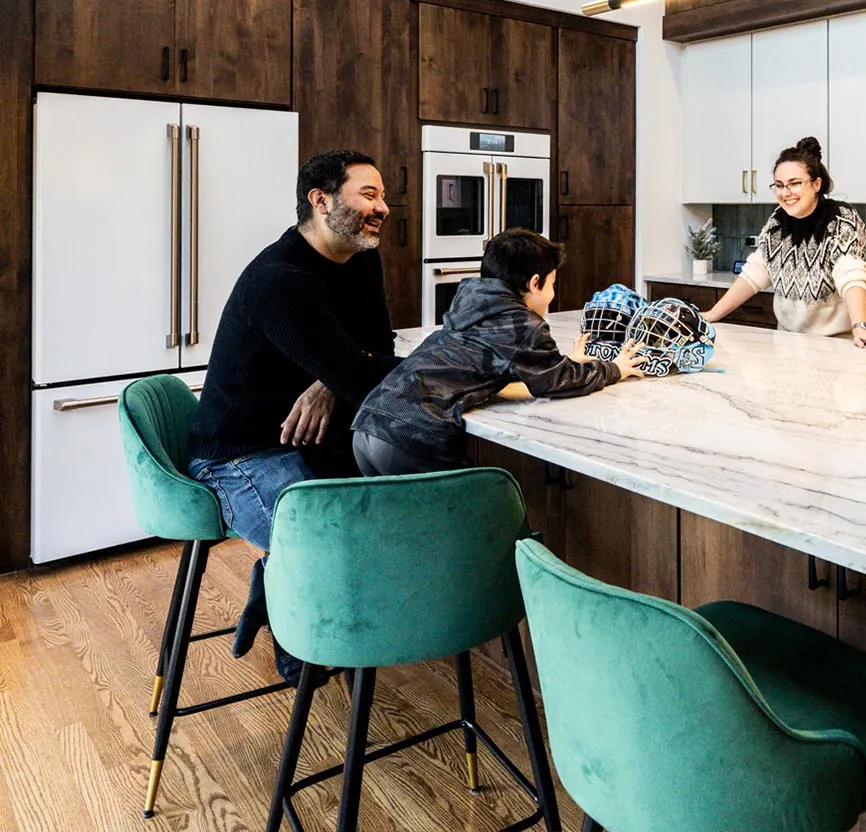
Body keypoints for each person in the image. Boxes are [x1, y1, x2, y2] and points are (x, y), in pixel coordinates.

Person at [187, 149, 401, 679]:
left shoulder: (360, 257)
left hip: (310, 441)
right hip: (240, 455)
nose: (385, 208)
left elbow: (374, 343)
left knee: (383, 522)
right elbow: (363, 371)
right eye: (369, 195)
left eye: (384, 196)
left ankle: (280, 582)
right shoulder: (279, 280)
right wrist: (344, 373)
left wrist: (331, 379)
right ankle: (293, 628)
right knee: (322, 543)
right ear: (321, 201)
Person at [352, 228, 646, 476]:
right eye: (552, 283)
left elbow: (511, 363)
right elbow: (555, 382)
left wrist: (566, 364)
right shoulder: (521, 323)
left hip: (368, 424)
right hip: (410, 436)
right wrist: (615, 368)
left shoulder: (472, 303)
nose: (552, 294)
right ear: (534, 282)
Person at [702, 137, 866, 350]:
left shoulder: (841, 219)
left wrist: (861, 327)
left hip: (834, 347)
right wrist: (711, 315)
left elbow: (851, 276)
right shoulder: (777, 222)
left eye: (795, 183)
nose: (785, 192)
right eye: (779, 185)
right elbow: (755, 273)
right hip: (786, 344)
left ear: (816, 184)